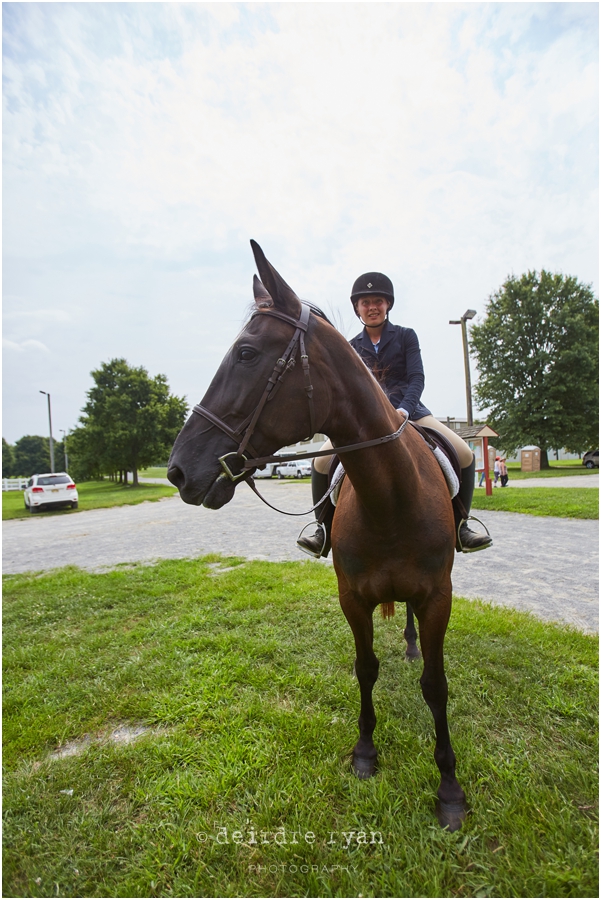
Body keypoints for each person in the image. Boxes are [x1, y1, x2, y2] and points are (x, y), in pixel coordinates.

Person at [297, 271, 493, 558]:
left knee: (464, 454)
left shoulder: (405, 336)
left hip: (410, 412)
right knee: (321, 461)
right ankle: (321, 531)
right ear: (357, 308)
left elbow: (417, 378)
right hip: (365, 421)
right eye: (365, 302)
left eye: (378, 301)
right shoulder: (351, 346)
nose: (372, 307)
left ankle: (462, 526)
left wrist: (404, 408)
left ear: (387, 305)